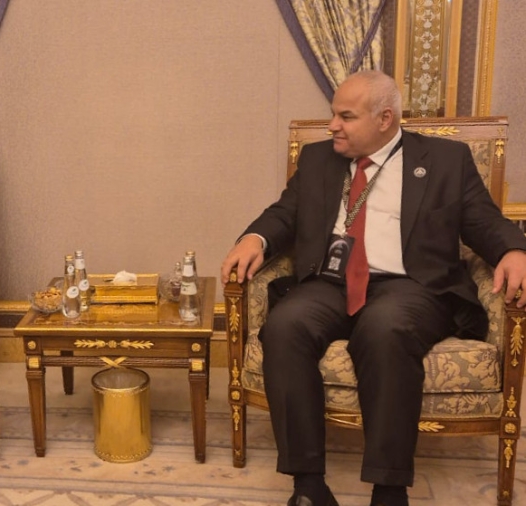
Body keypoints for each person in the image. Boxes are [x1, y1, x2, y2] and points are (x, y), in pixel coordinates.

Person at [220, 70, 526, 506]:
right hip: (330, 282)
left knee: (384, 330)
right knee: (284, 327)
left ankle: (389, 490)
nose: (333, 126)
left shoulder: (446, 159)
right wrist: (255, 238)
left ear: (385, 119)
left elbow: (483, 220)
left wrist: (515, 250)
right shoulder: (318, 159)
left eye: (346, 117)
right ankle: (309, 487)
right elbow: (285, 213)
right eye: (333, 114)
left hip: (410, 285)